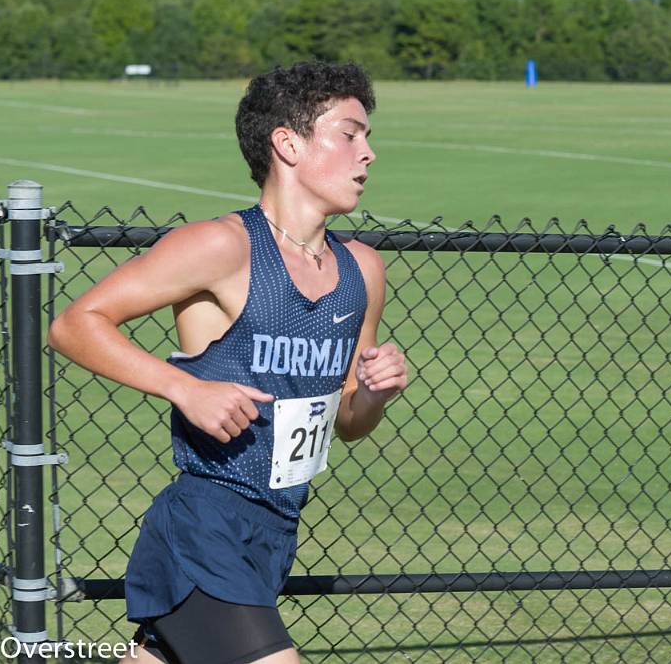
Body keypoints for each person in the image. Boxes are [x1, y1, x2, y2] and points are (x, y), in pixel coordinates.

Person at [47, 61, 409, 664]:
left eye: (367, 136)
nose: (368, 153)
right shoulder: (221, 246)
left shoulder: (363, 270)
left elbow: (348, 422)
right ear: (288, 144)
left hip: (275, 531)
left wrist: (372, 394)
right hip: (203, 523)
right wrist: (185, 389)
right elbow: (74, 324)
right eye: (349, 134)